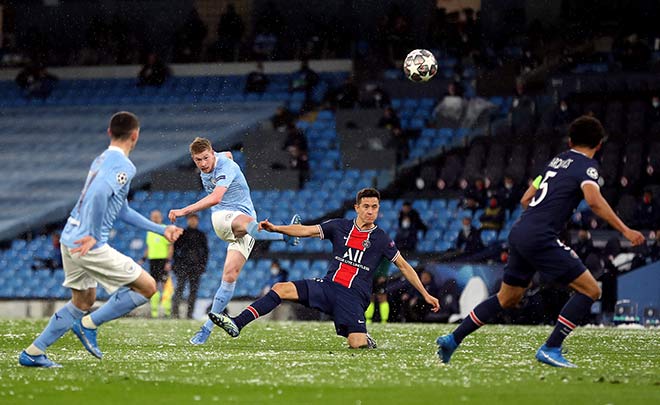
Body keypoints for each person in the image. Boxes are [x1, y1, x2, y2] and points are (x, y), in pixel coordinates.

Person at [436, 116, 645, 368]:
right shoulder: (587, 167)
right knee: (591, 290)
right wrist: (625, 229)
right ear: (599, 144)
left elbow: (526, 199)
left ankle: (453, 338)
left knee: (507, 298)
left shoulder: (554, 163)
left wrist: (546, 213)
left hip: (520, 230)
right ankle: (551, 347)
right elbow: (593, 200)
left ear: (570, 141)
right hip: (540, 236)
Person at [19, 112, 183, 368]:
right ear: (135, 135)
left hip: (70, 237)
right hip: (88, 244)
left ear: (109, 132)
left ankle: (34, 352)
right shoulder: (124, 166)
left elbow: (121, 209)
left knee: (83, 301)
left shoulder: (101, 159)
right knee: (148, 287)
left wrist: (160, 230)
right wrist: (94, 236)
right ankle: (89, 324)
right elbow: (97, 195)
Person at [209, 188, 440, 348]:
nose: (371, 211)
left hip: (353, 297)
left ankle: (365, 337)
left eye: (375, 207)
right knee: (280, 288)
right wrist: (276, 229)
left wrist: (425, 294)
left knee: (356, 344)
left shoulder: (381, 238)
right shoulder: (338, 226)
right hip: (328, 287)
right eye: (366, 206)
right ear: (357, 207)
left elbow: (404, 266)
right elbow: (306, 230)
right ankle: (237, 323)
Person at [168, 137, 299, 345]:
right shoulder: (219, 158)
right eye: (197, 160)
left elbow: (226, 163)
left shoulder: (225, 165)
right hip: (223, 217)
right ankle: (285, 234)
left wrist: (184, 210)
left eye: (205, 158)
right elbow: (217, 199)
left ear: (212, 153)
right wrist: (185, 211)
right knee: (252, 228)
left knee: (229, 276)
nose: (202, 164)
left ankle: (205, 331)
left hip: (244, 221)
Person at [171, 213, 208, 319]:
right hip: (182, 266)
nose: (193, 221)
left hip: (196, 267)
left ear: (197, 221)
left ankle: (189, 314)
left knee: (193, 291)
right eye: (191, 219)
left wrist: (202, 265)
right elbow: (175, 250)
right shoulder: (182, 233)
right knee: (179, 289)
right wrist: (176, 264)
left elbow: (205, 252)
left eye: (194, 219)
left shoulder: (201, 235)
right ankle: (175, 313)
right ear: (188, 220)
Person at [140, 210, 173, 318]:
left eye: (157, 217)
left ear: (161, 217)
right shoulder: (150, 231)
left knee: (164, 285)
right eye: (153, 217)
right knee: (153, 285)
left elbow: (170, 246)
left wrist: (168, 261)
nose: (155, 219)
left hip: (163, 261)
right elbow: (149, 247)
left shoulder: (164, 229)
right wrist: (143, 258)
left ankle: (166, 311)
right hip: (152, 261)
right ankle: (154, 312)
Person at [364, 258, 390, 323]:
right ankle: (368, 319)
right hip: (370, 275)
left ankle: (384, 320)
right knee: (370, 298)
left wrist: (383, 274)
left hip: (379, 275)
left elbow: (387, 260)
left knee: (382, 297)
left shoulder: (383, 248)